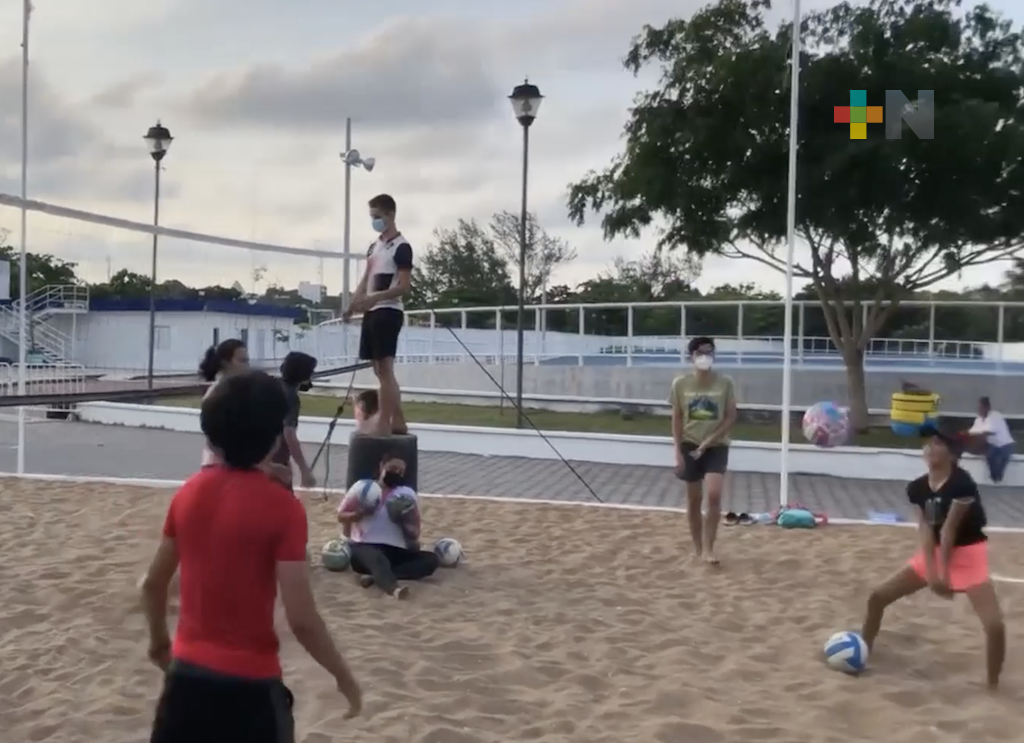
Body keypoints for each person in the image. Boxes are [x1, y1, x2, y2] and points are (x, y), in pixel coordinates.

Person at [140, 371, 363, 742]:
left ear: (210, 435)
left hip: (185, 686)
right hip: (251, 690)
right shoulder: (283, 509)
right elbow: (302, 620)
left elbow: (151, 585)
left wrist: (159, 644)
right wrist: (343, 676)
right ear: (276, 437)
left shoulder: (189, 494)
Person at [861, 422, 1005, 690]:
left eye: (938, 444)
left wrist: (942, 577)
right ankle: (861, 652)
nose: (929, 447)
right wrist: (932, 571)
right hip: (936, 551)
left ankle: (992, 686)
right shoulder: (916, 488)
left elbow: (949, 530)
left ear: (952, 454)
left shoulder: (963, 484)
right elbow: (926, 531)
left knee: (994, 626)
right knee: (877, 597)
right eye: (928, 443)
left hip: (968, 554)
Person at [343, 193, 412, 437]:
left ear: (390, 215)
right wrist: (353, 304)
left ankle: (385, 421)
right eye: (372, 217)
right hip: (372, 313)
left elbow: (403, 286)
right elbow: (366, 280)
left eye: (378, 217)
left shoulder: (402, 247)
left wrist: (375, 298)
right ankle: (398, 419)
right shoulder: (375, 246)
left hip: (388, 311)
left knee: (385, 369)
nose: (374, 221)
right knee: (378, 370)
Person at [669, 336, 737, 566]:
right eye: (700, 352)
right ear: (691, 356)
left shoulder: (725, 382)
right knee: (694, 499)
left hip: (716, 445)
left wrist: (710, 440)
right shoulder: (680, 384)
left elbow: (730, 416)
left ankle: (709, 548)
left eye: (709, 352)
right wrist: (677, 451)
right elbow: (677, 418)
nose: (705, 356)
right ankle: (697, 546)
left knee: (714, 493)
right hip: (689, 444)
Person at [337, 453, 439, 599]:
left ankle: (374, 577)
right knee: (377, 558)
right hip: (364, 546)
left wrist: (403, 520)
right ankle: (394, 589)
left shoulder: (407, 494)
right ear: (381, 467)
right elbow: (341, 516)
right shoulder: (363, 487)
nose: (396, 473)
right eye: (393, 468)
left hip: (395, 549)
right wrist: (359, 514)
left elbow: (415, 533)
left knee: (431, 560)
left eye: (401, 471)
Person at [198, 339, 249, 467]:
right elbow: (212, 437)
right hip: (220, 464)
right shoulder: (216, 394)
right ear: (225, 363)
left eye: (247, 361)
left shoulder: (240, 390)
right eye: (242, 361)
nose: (247, 366)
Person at [274, 351, 317, 490]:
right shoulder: (291, 397)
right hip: (276, 459)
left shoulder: (275, 387)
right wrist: (304, 470)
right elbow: (289, 434)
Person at [967, 396, 1015, 483]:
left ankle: (998, 479)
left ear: (987, 407)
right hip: (993, 445)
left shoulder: (996, 416)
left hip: (1005, 445)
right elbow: (972, 431)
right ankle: (995, 479)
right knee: (989, 457)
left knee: (1001, 460)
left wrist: (979, 433)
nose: (979, 410)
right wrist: (978, 433)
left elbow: (990, 431)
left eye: (980, 408)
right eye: (978, 408)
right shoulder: (979, 419)